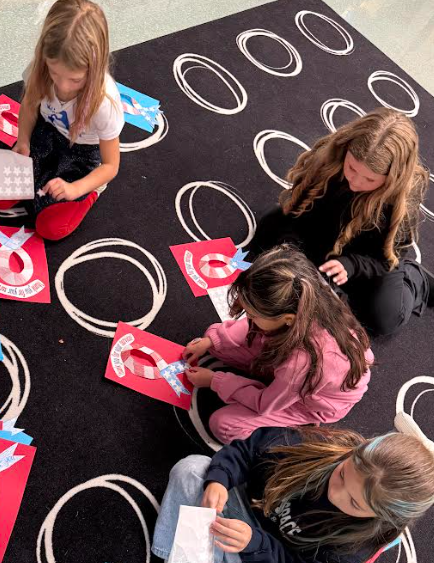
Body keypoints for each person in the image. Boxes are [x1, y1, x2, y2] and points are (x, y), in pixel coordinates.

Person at [152, 415, 434, 563]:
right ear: (354, 452)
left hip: (272, 556)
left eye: (354, 503)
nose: (336, 494)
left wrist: (254, 544)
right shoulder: (304, 442)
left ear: (378, 518)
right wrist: (220, 480)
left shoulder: (356, 546)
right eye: (342, 474)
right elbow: (245, 452)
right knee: (190, 471)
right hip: (241, 506)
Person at [252, 108, 434, 336]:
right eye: (352, 168)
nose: (355, 182)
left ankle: (416, 280)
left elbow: (384, 259)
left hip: (372, 254)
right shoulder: (329, 160)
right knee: (268, 232)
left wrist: (351, 265)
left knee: (382, 318)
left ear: (392, 179)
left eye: (370, 179)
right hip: (330, 231)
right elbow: (301, 210)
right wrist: (291, 244)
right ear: (345, 149)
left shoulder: (402, 204)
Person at [184, 246, 373, 444]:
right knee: (216, 342)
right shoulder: (303, 298)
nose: (247, 317)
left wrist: (216, 381)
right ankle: (267, 378)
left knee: (224, 425)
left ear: (288, 318)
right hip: (293, 357)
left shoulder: (301, 365)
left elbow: (264, 404)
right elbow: (249, 327)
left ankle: (298, 430)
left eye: (253, 314)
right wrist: (212, 340)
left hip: (311, 400)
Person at [0, 0, 124, 240]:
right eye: (55, 73)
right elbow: (28, 105)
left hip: (81, 156)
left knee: (51, 227)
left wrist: (75, 188)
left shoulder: (104, 100)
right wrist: (23, 140)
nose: (63, 86)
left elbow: (111, 166)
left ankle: (91, 193)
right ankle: (39, 181)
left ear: (95, 67)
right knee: (0, 194)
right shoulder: (41, 68)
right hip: (44, 137)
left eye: (75, 80)